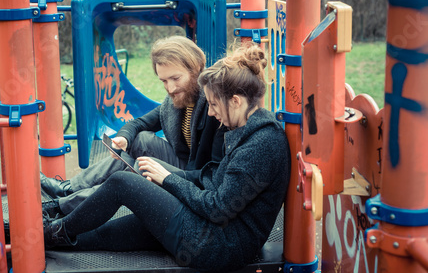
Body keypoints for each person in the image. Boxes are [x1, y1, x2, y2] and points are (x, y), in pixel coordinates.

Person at [43, 44, 291, 272]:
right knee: (105, 235)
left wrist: (169, 178)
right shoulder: (249, 129)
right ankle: (47, 235)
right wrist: (171, 176)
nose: (213, 112)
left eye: (215, 105)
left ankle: (57, 230)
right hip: (206, 229)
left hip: (217, 245)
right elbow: (212, 177)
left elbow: (218, 209)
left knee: (123, 183)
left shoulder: (262, 144)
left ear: (235, 101)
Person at [41, 35, 226, 216]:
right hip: (184, 162)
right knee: (139, 139)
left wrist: (164, 174)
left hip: (196, 175)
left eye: (176, 79)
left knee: (140, 167)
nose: (170, 88)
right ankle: (68, 189)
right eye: (164, 81)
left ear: (195, 70)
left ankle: (62, 206)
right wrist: (124, 138)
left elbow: (212, 173)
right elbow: (140, 123)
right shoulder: (177, 101)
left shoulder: (213, 107)